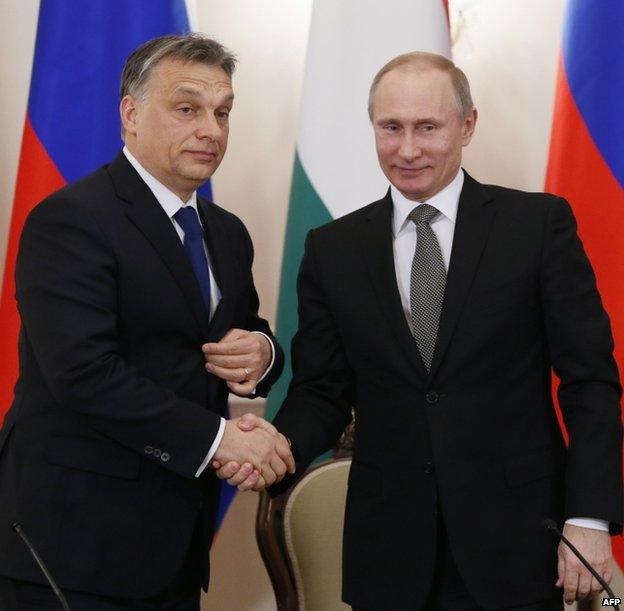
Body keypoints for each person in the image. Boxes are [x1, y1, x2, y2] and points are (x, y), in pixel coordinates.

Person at [217, 52, 623, 610]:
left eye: (428, 127)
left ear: (467, 125)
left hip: (519, 548)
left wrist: (589, 517)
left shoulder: (537, 228)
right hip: (389, 554)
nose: (408, 149)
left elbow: (591, 383)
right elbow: (322, 390)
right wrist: (276, 445)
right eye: (391, 128)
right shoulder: (333, 250)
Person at [0, 34, 294, 610]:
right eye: (187, 108)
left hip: (174, 544)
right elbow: (83, 373)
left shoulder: (226, 232)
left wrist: (261, 350)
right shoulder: (70, 220)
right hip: (71, 547)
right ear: (130, 115)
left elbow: (241, 333)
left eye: (223, 112)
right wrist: (219, 440)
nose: (211, 128)